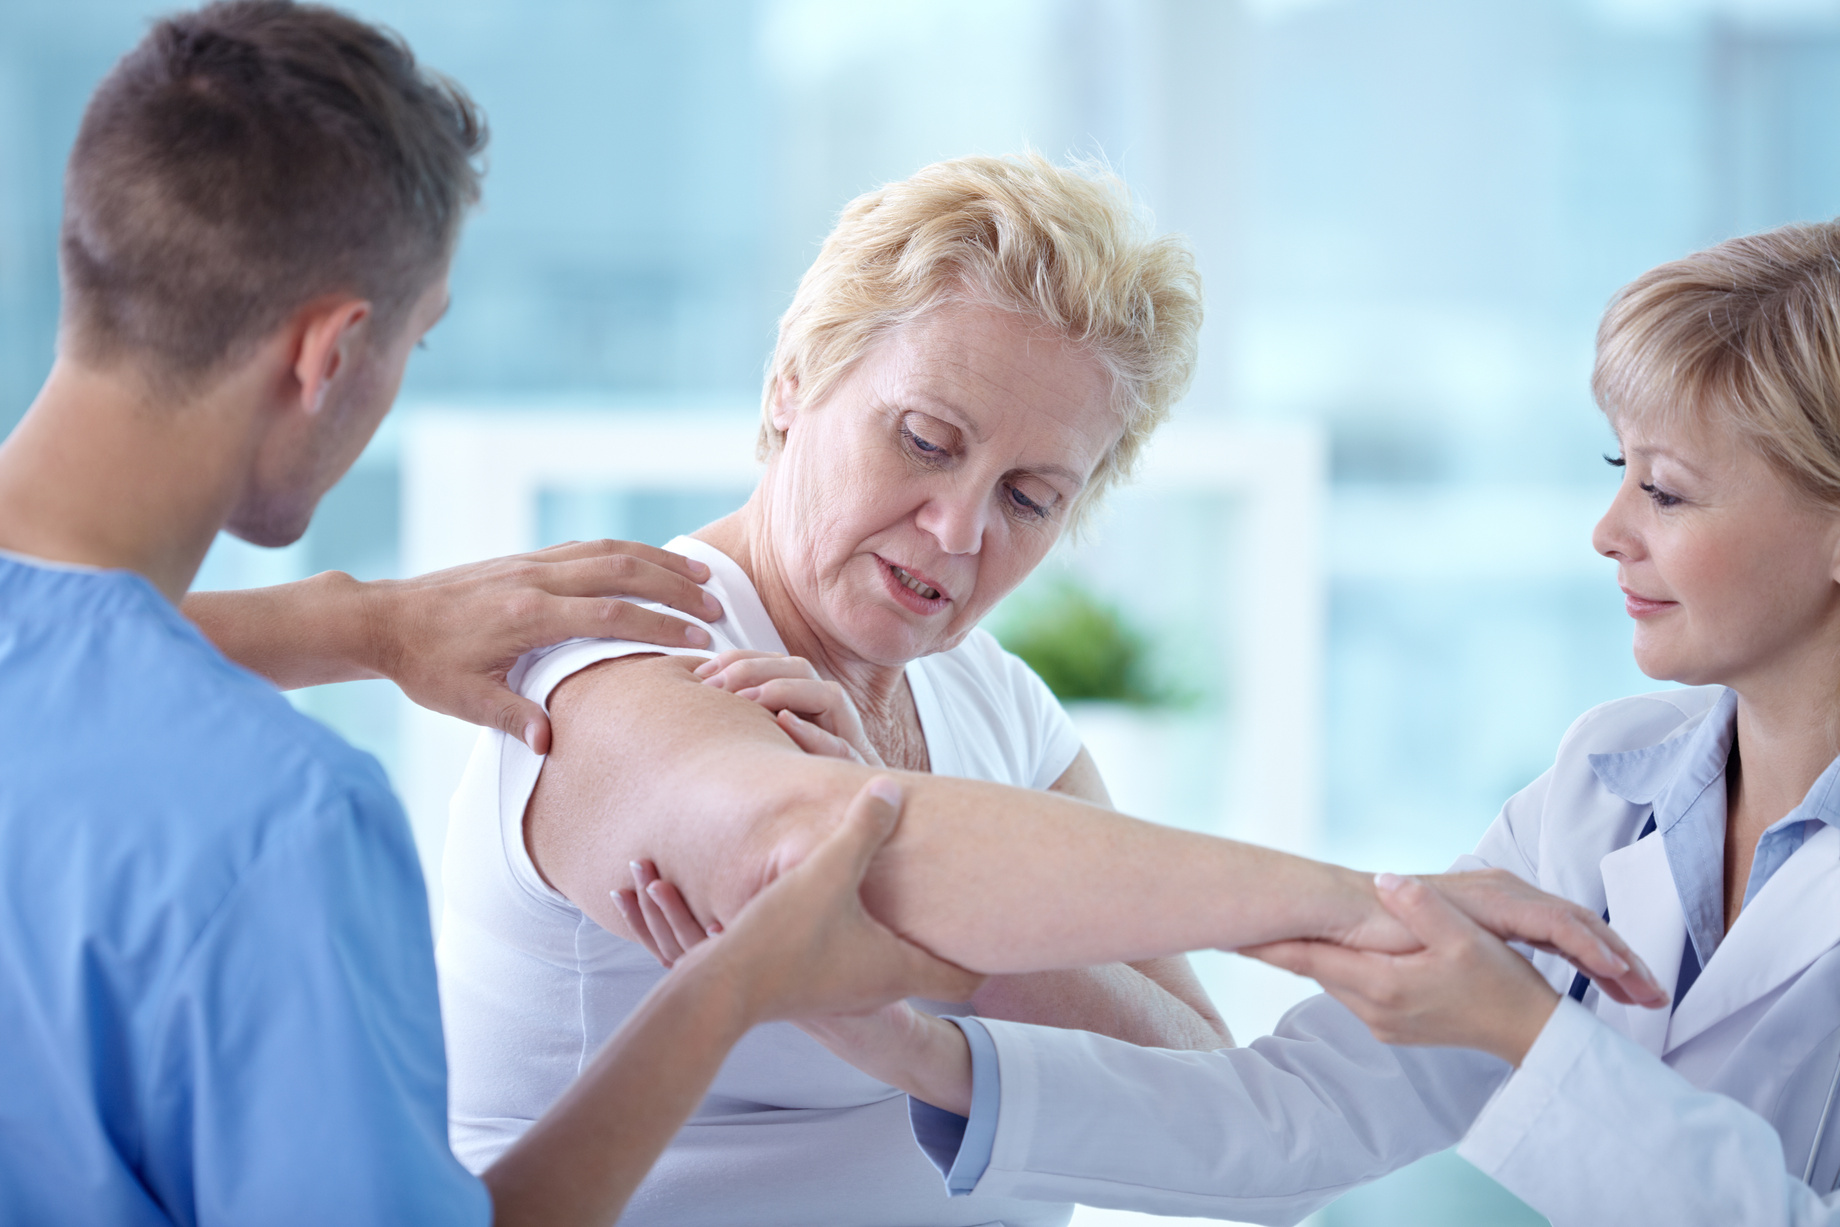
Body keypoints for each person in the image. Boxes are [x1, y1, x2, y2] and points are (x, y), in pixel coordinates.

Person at [436, 153, 1663, 1226]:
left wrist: (911, 869)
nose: (959, 528)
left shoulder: (990, 700)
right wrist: (1353, 907)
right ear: (792, 385)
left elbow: (1197, 1084)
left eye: (1031, 497)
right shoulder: (630, 659)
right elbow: (810, 855)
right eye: (923, 440)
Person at [0, 4, 977, 1223]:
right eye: (419, 336)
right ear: (331, 354)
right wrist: (729, 988)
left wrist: (362, 623)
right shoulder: (278, 825)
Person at [708, 220, 1840, 1227]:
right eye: (1617, 470)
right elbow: (1292, 1122)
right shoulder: (1603, 788)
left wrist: (1523, 1035)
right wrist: (907, 1047)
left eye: (1668, 490)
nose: (1606, 530)